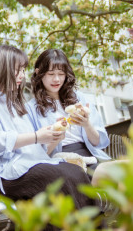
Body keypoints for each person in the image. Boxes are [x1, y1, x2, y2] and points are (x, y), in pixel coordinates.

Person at [0, 44, 96, 213]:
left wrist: (52, 136)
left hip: (27, 166)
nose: (21, 76)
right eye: (17, 70)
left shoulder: (14, 103)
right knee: (56, 178)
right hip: (2, 176)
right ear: (2, 69)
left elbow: (34, 148)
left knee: (76, 172)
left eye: (23, 70)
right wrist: (36, 136)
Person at [28, 48, 113, 185]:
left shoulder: (79, 99)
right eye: (51, 74)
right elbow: (36, 156)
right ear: (39, 73)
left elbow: (100, 142)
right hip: (61, 163)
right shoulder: (31, 109)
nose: (56, 79)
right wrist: (55, 137)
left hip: (91, 157)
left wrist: (86, 124)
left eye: (61, 74)